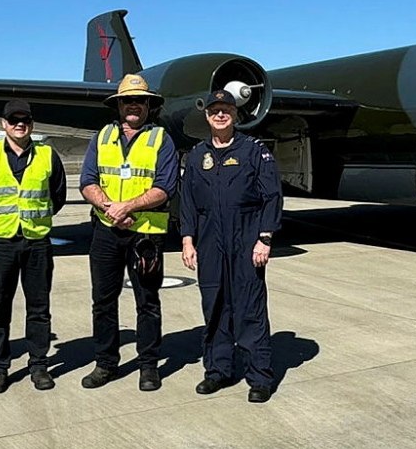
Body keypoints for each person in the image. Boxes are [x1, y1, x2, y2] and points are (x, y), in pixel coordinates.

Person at [78, 73, 179, 391]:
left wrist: (128, 207)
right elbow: (87, 181)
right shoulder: (102, 137)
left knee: (147, 301)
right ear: (118, 105)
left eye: (140, 100)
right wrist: (111, 207)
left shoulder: (161, 139)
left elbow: (165, 187)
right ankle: (105, 364)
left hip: (145, 235)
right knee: (103, 301)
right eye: (127, 100)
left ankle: (149, 366)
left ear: (149, 105)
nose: (133, 105)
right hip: (107, 231)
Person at [181, 89, 283, 403]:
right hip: (210, 241)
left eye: (226, 109)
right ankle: (217, 371)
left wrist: (264, 238)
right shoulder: (198, 155)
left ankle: (259, 377)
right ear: (208, 116)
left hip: (246, 237)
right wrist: (187, 240)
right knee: (214, 307)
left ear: (235, 114)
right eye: (215, 111)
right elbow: (187, 201)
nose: (221, 115)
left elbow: (272, 196)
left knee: (250, 309)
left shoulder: (254, 151)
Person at [0, 99, 69, 394]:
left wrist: (33, 219)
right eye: (13, 120)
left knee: (39, 309)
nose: (19, 124)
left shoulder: (48, 156)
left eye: (25, 120)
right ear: (4, 124)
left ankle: (38, 365)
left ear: (32, 124)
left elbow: (57, 196)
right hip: (1, 242)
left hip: (37, 242)